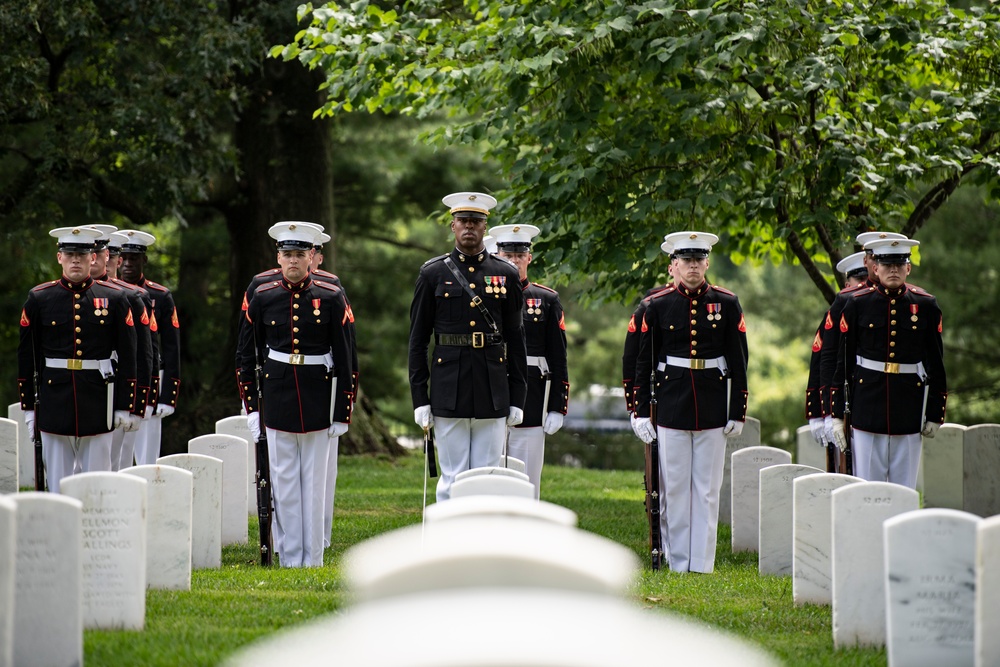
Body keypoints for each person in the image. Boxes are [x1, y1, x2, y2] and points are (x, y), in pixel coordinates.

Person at [237, 222, 355, 567]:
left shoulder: (331, 296)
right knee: (284, 482)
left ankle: (312, 556)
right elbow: (246, 354)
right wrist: (251, 407)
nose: (293, 261)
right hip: (277, 393)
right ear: (278, 257)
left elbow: (347, 356)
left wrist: (342, 411)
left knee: (315, 483)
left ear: (311, 257)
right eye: (287, 254)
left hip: (318, 392)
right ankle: (289, 556)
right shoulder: (263, 295)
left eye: (300, 254)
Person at [632, 231, 748, 573]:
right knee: (676, 490)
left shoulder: (727, 303)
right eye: (686, 260)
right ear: (674, 266)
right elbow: (643, 362)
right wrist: (640, 411)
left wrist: (737, 410)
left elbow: (739, 360)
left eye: (699, 260)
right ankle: (679, 560)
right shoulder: (656, 305)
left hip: (712, 404)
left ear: (707, 263)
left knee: (708, 490)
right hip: (671, 404)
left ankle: (702, 562)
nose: (693, 266)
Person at [408, 191, 528, 502]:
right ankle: (449, 548)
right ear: (453, 226)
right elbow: (418, 340)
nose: (469, 227)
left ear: (485, 227)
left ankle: (482, 550)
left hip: (492, 387)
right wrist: (420, 398)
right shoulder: (432, 273)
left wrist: (517, 397)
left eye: (476, 221)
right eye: (463, 221)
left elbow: (516, 340)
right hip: (450, 386)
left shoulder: (506, 274)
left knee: (487, 478)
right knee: (452, 479)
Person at [17, 226, 141, 493]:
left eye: (82, 255)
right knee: (58, 483)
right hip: (54, 398)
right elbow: (27, 356)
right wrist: (29, 409)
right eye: (69, 253)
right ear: (59, 257)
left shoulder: (114, 298)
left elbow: (129, 355)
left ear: (93, 259)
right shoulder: (40, 298)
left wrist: (124, 406)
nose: (75, 260)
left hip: (97, 399)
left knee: (97, 484)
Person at [830, 238, 947, 488]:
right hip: (867, 406)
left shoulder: (925, 305)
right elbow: (844, 362)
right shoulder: (858, 303)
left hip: (908, 406)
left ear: (908, 268)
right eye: (887, 264)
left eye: (899, 263)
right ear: (875, 268)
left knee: (904, 488)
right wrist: (837, 414)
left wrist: (936, 413)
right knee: (867, 488)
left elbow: (936, 363)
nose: (893, 269)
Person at [492, 223, 569, 498]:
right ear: (496, 255)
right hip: (492, 394)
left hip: (534, 399)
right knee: (490, 478)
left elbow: (558, 356)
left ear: (529, 258)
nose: (513, 260)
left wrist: (558, 406)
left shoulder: (546, 299)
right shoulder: (485, 296)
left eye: (519, 255)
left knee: (527, 479)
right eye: (507, 255)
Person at [821, 231, 907, 446]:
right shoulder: (850, 300)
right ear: (868, 260)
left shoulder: (913, 301)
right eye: (875, 256)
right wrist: (828, 411)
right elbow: (830, 356)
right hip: (861, 399)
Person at [89, 227, 155, 471]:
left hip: (115, 385)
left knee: (114, 461)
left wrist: (139, 403)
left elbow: (144, 353)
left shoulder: (131, 296)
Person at [118, 229, 180, 464]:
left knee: (146, 456)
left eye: (134, 258)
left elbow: (172, 347)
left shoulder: (160, 296)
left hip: (152, 378)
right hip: (119, 375)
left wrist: (169, 396)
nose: (127, 264)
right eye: (123, 258)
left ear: (144, 260)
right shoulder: (107, 293)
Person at [804, 250, 867, 472]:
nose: (863, 284)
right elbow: (823, 358)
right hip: (843, 398)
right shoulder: (840, 306)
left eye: (867, 278)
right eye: (858, 279)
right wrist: (824, 413)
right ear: (847, 282)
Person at [623, 238, 676, 417]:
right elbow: (633, 356)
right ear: (671, 268)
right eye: (683, 260)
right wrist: (635, 406)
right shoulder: (651, 302)